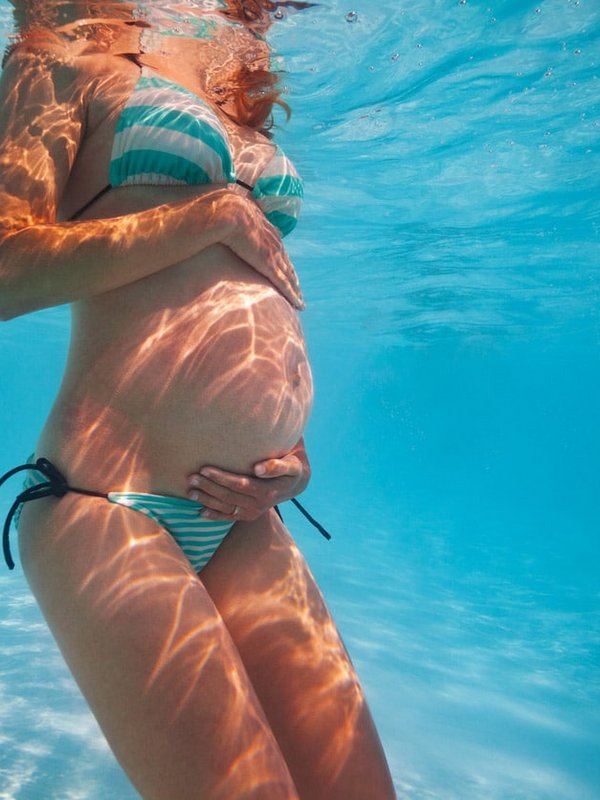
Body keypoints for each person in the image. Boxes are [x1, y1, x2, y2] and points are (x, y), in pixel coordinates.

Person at [0, 1, 397, 797]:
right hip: (109, 501)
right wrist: (201, 217)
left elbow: (246, 292)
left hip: (247, 511)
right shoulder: (60, 53)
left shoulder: (229, 74)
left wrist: (291, 450)